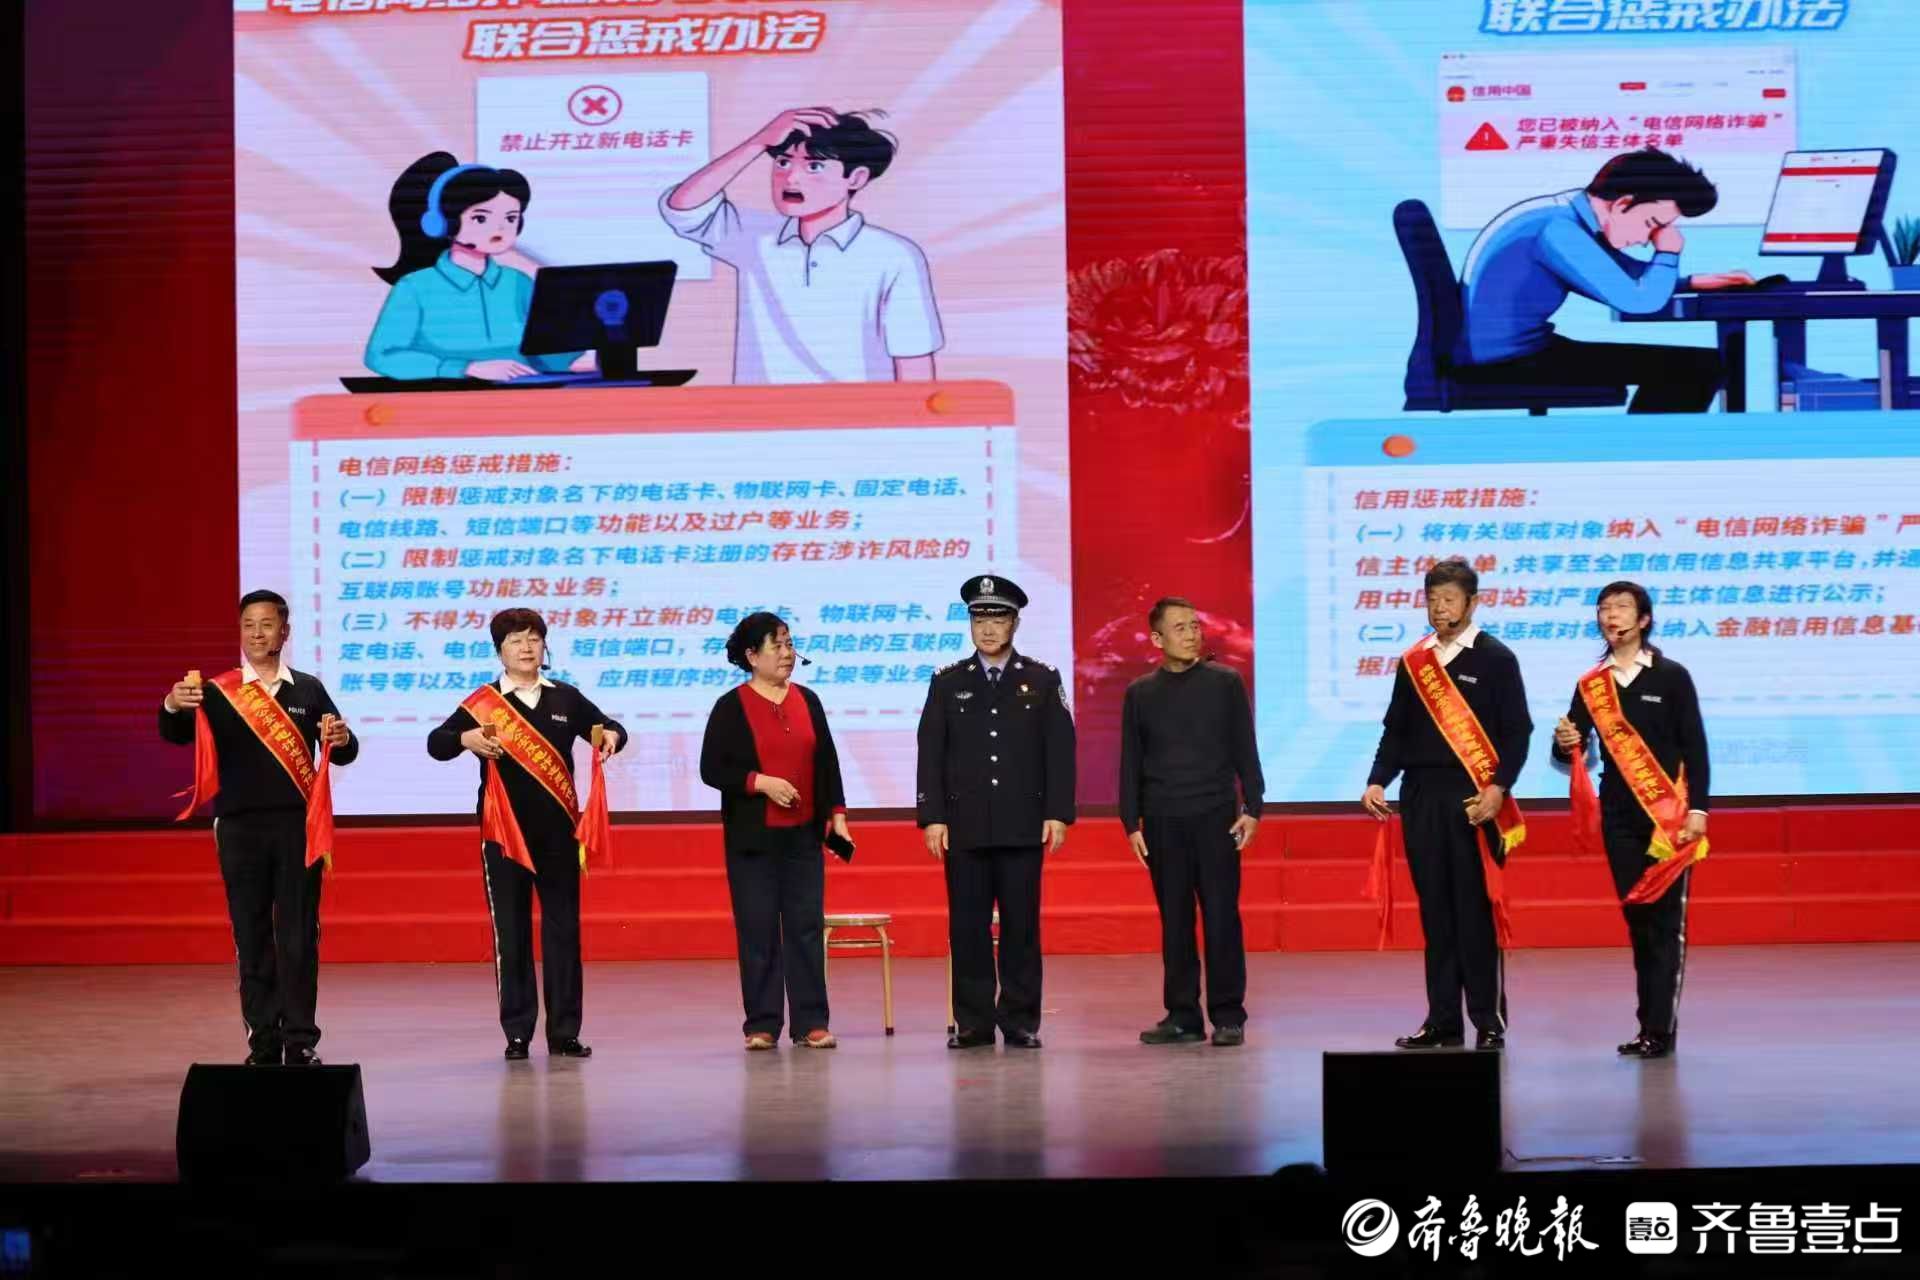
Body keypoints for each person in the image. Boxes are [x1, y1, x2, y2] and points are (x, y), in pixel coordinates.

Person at [161, 590, 359, 1066]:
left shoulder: (308, 689)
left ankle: (300, 1039)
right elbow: (176, 734)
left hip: (297, 829)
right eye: (248, 624)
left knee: (298, 935)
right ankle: (263, 1040)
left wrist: (342, 737)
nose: (256, 633)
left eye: (266, 624)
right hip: (239, 827)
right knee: (251, 934)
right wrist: (172, 703)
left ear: (284, 632)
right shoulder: (217, 691)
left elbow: (344, 750)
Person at [427, 608, 623, 1061]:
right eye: (515, 640)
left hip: (558, 835)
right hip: (503, 835)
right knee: (511, 935)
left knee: (563, 932)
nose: (526, 648)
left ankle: (564, 1033)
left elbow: (610, 728)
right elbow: (437, 743)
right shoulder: (483, 702)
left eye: (534, 639)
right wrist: (465, 740)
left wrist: (612, 737)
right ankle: (517, 1033)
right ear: (500, 651)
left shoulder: (565, 697)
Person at [1362, 559, 1532, 1051]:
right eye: (1432, 599)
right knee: (1435, 913)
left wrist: (1499, 788)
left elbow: (1517, 733)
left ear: (1472, 603)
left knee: (1474, 914)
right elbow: (1396, 730)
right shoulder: (1414, 662)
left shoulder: (1496, 659)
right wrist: (1377, 780)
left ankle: (1488, 1020)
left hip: (1475, 798)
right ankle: (1442, 1020)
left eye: (1449, 599)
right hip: (1420, 797)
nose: (1439, 608)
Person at [1455, 148, 1754, 412]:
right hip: (1502, 361)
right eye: (1651, 224)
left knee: (1693, 365)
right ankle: (1644, 453)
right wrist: (1668, 252)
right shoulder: (1560, 231)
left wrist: (1691, 282)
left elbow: (1620, 274)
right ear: (1622, 204)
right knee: (1696, 368)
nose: (1646, 240)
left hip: (1507, 350)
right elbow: (1638, 301)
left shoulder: (1565, 217)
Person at [660, 107, 944, 383]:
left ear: (856, 178)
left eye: (814, 166)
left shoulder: (893, 255)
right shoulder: (753, 237)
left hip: (857, 412)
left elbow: (913, 362)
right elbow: (682, 208)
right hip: (760, 411)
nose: (791, 178)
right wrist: (758, 142)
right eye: (783, 163)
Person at [1552, 581, 1710, 1060]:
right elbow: (1573, 754)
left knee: (1665, 924)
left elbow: (1695, 747)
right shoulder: (1591, 685)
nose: (1611, 615)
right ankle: (1650, 1026)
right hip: (1619, 816)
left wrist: (1698, 810)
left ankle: (1659, 1029)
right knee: (1638, 920)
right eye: (1604, 608)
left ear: (1643, 620)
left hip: (1669, 819)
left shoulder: (1672, 677)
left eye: (1621, 607)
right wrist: (1564, 743)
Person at [917, 575, 1075, 1050]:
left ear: (1015, 623)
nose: (987, 629)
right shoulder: (948, 680)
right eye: (979, 619)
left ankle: (1021, 1020)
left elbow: (1060, 750)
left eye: (998, 619)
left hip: (1022, 823)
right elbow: (931, 750)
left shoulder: (1042, 679)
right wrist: (933, 816)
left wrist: (1057, 812)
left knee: (1021, 927)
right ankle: (973, 1022)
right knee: (967, 927)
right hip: (964, 826)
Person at [699, 612, 854, 1051]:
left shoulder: (808, 700)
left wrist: (837, 815)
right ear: (752, 656)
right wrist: (760, 782)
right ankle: (762, 1023)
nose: (787, 654)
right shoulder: (731, 706)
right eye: (777, 645)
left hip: (802, 835)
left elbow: (827, 761)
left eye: (789, 644)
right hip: (753, 839)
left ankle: (811, 1022)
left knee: (806, 928)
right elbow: (712, 768)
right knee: (758, 929)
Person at [1119, 597, 1264, 1048]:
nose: (1191, 634)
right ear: (1157, 639)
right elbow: (1131, 761)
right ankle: (1182, 1015)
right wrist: (1131, 821)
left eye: (1195, 626)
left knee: (1221, 916)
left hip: (1216, 817)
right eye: (1180, 628)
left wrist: (1253, 806)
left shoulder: (1225, 683)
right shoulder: (1141, 693)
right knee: (1175, 921)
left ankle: (1228, 1015)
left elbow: (1245, 748)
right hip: (1163, 820)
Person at [365, 151, 585, 381]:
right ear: (443, 222)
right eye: (481, 218)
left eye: (510, 218)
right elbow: (381, 356)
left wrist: (584, 359)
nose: (500, 229)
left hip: (521, 392)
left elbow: (548, 352)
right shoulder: (415, 287)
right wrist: (466, 368)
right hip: (450, 395)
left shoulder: (518, 282)